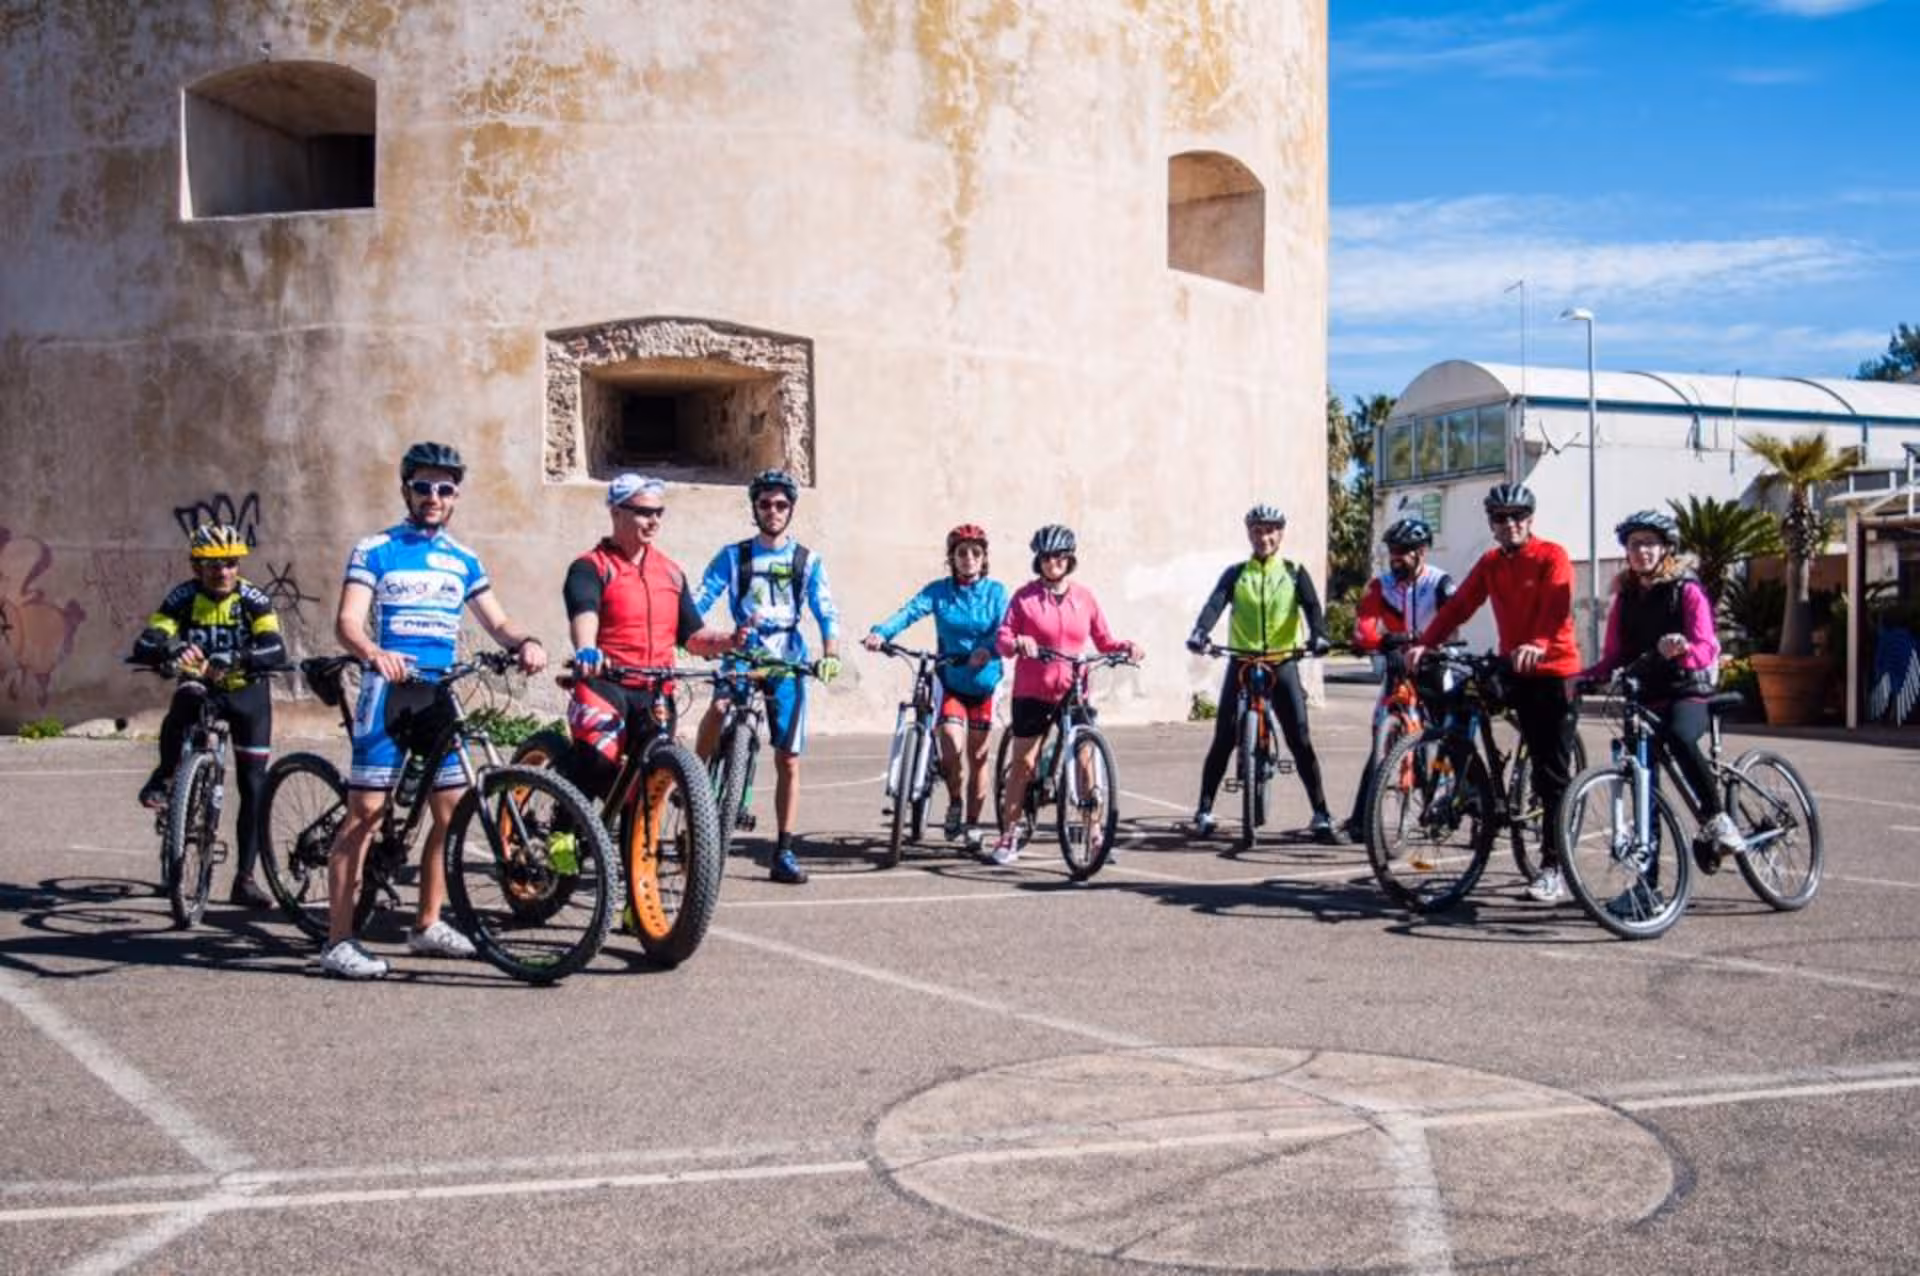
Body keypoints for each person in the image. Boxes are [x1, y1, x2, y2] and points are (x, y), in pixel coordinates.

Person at [319, 442, 548, 980]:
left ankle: (427, 924)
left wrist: (526, 643)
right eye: (423, 486)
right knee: (365, 816)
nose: (433, 496)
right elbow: (347, 622)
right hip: (389, 694)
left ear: (456, 497)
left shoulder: (463, 559)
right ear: (406, 489)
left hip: (438, 695)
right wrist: (373, 652)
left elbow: (497, 621)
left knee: (452, 812)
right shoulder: (376, 548)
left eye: (445, 489)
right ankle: (337, 942)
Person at [1406, 481, 1581, 904]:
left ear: (1529, 520)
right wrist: (1426, 642)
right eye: (1501, 518)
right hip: (1514, 665)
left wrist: (1539, 642)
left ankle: (1553, 867)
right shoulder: (1491, 563)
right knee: (1464, 694)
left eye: (1517, 517)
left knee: (1549, 771)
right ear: (1492, 523)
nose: (1510, 524)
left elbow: (1558, 606)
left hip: (1553, 668)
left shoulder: (1551, 555)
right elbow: (1460, 605)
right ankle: (1471, 786)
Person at [693, 468, 841, 885]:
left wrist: (830, 654)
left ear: (790, 509)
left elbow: (826, 611)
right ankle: (697, 780)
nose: (773, 511)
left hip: (787, 658)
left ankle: (785, 850)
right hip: (742, 652)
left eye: (780, 505)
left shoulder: (807, 561)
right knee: (720, 706)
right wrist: (688, 635)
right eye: (765, 504)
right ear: (754, 508)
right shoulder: (733, 555)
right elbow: (702, 598)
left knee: (789, 759)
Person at [129, 523, 286, 908]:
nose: (223, 571)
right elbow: (148, 640)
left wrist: (240, 657)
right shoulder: (183, 597)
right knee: (185, 700)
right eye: (213, 564)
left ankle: (245, 880)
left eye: (230, 563)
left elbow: (275, 648)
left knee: (254, 786)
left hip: (248, 693)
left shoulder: (254, 600)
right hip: (204, 688)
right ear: (196, 566)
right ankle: (166, 778)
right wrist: (172, 648)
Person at [562, 474, 743, 804]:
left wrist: (730, 639)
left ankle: (632, 852)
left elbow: (692, 636)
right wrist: (586, 648)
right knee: (599, 762)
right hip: (605, 683)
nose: (654, 520)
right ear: (616, 512)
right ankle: (562, 832)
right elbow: (584, 609)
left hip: (656, 691)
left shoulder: (670, 572)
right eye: (645, 512)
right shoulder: (591, 567)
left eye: (659, 513)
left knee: (650, 783)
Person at [1581, 509, 1745, 865]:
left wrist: (1684, 649)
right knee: (1643, 784)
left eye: (1651, 544)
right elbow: (1614, 655)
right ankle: (1647, 885)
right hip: (1644, 698)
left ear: (1665, 549)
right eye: (1635, 544)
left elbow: (1706, 646)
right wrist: (1584, 676)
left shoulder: (1686, 590)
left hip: (1687, 690)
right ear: (1626, 551)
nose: (1643, 551)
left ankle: (1718, 819)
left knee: (1680, 736)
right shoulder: (1624, 599)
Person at [990, 524, 1142, 866]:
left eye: (1059, 556)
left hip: (1074, 689)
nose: (1052, 562)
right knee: (1024, 764)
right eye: (1046, 557)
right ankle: (1009, 834)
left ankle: (1094, 833)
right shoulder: (1024, 598)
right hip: (1033, 691)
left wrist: (1127, 648)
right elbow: (1003, 636)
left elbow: (1104, 641)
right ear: (1038, 561)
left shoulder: (1084, 598)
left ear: (1069, 559)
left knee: (1087, 762)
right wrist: (1017, 643)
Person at [1184, 504, 1337, 841]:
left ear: (1280, 534)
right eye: (1257, 531)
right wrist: (1200, 632)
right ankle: (1205, 810)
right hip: (1242, 661)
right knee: (1223, 736)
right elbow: (1215, 604)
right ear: (1249, 534)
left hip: (1282, 662)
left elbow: (1312, 609)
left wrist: (1320, 636)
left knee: (1300, 738)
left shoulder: (1295, 572)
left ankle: (1321, 813)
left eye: (1270, 530)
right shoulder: (1237, 573)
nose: (1263, 537)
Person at [862, 524, 1010, 844]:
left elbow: (1005, 629)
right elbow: (909, 612)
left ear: (983, 559)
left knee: (979, 756)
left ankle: (972, 824)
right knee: (951, 747)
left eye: (975, 553)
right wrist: (881, 633)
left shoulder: (996, 592)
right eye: (961, 553)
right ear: (952, 558)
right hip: (951, 679)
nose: (968, 559)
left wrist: (989, 649)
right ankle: (956, 802)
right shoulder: (939, 591)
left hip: (986, 683)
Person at [1342, 517, 1456, 841]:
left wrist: (1431, 643)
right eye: (1392, 551)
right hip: (1397, 666)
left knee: (1451, 737)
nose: (1395, 558)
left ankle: (1467, 804)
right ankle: (1360, 821)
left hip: (1434, 665)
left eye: (1403, 552)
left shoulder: (1440, 583)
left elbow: (1453, 623)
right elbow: (1363, 628)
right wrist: (1382, 642)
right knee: (1381, 738)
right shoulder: (1382, 585)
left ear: (1421, 552)